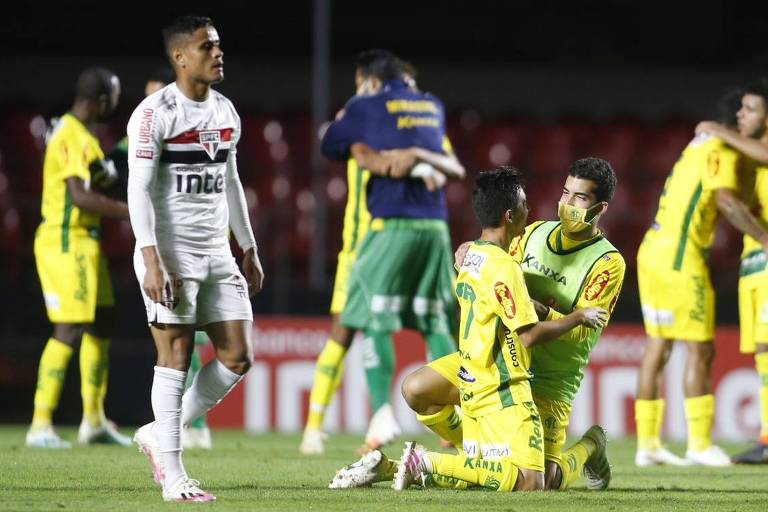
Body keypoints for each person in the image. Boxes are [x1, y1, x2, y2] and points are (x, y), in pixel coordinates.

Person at [330, 157, 623, 492]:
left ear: (600, 207)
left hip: (548, 380)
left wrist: (530, 310)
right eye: (565, 193)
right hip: (496, 362)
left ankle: (590, 447)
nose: (567, 203)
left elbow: (585, 329)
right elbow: (495, 261)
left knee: (546, 480)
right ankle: (475, 456)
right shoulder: (535, 233)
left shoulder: (607, 262)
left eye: (579, 198)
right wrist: (469, 249)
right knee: (417, 390)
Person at [127, 16, 264, 502]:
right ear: (180, 57)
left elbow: (230, 183)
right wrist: (151, 257)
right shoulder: (153, 114)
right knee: (176, 358)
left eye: (220, 46)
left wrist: (246, 246)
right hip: (172, 253)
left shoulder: (226, 112)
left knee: (237, 355)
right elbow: (138, 189)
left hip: (216, 252)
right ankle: (174, 476)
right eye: (207, 47)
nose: (218, 54)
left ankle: (155, 432)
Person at [301, 50, 465, 455]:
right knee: (433, 321)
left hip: (382, 232)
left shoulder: (366, 109)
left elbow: (329, 143)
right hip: (434, 228)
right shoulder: (431, 108)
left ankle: (380, 414)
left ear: (370, 81)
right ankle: (461, 421)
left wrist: (369, 149)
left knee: (366, 320)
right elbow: (444, 171)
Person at [634, 86, 768, 467]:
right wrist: (763, 237)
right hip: (681, 256)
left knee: (658, 347)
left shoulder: (698, 145)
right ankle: (699, 444)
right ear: (736, 122)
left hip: (653, 247)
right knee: (701, 350)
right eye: (742, 112)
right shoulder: (721, 149)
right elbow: (726, 199)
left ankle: (648, 445)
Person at [26, 67, 132, 449]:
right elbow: (82, 197)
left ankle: (93, 420)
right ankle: (40, 423)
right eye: (114, 100)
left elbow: (100, 179)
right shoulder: (71, 134)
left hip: (87, 243)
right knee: (69, 329)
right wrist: (132, 213)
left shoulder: (83, 136)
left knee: (102, 322)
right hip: (65, 241)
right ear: (103, 101)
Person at [110, 67, 213, 450]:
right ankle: (172, 431)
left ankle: (187, 425)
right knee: (174, 344)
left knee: (196, 340)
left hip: (193, 244)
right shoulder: (136, 139)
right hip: (155, 249)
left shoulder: (193, 132)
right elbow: (111, 166)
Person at [694, 79, 768, 464]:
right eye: (739, 110)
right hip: (755, 264)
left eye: (751, 109)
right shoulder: (749, 158)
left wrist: (717, 128)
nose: (741, 114)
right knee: (762, 350)